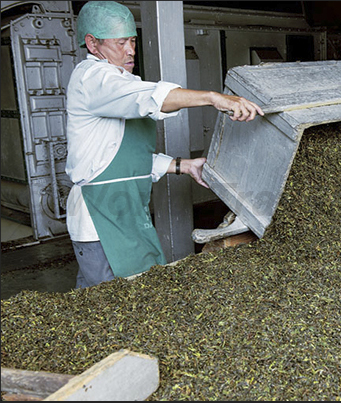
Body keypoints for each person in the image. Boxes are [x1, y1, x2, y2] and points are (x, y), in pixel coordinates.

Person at [65, 1, 264, 289]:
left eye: (132, 41)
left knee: (140, 295)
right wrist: (213, 98)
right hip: (99, 218)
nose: (131, 50)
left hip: (127, 210)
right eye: (121, 42)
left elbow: (120, 155)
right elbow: (149, 97)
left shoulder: (119, 80)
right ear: (93, 44)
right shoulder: (92, 78)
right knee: (106, 304)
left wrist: (183, 166)